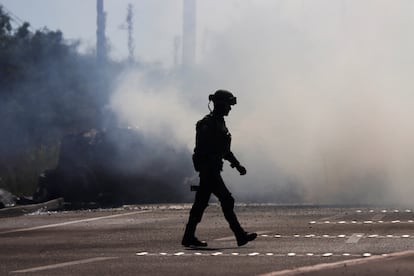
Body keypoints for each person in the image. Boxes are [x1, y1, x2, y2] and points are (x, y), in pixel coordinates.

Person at [182, 89, 257, 247]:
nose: (229, 109)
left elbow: (225, 151)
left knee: (200, 204)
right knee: (226, 199)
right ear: (220, 105)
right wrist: (207, 167)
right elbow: (202, 149)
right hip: (209, 170)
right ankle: (239, 235)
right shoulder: (207, 124)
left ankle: (188, 236)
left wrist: (237, 165)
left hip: (213, 169)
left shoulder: (219, 123)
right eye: (227, 105)